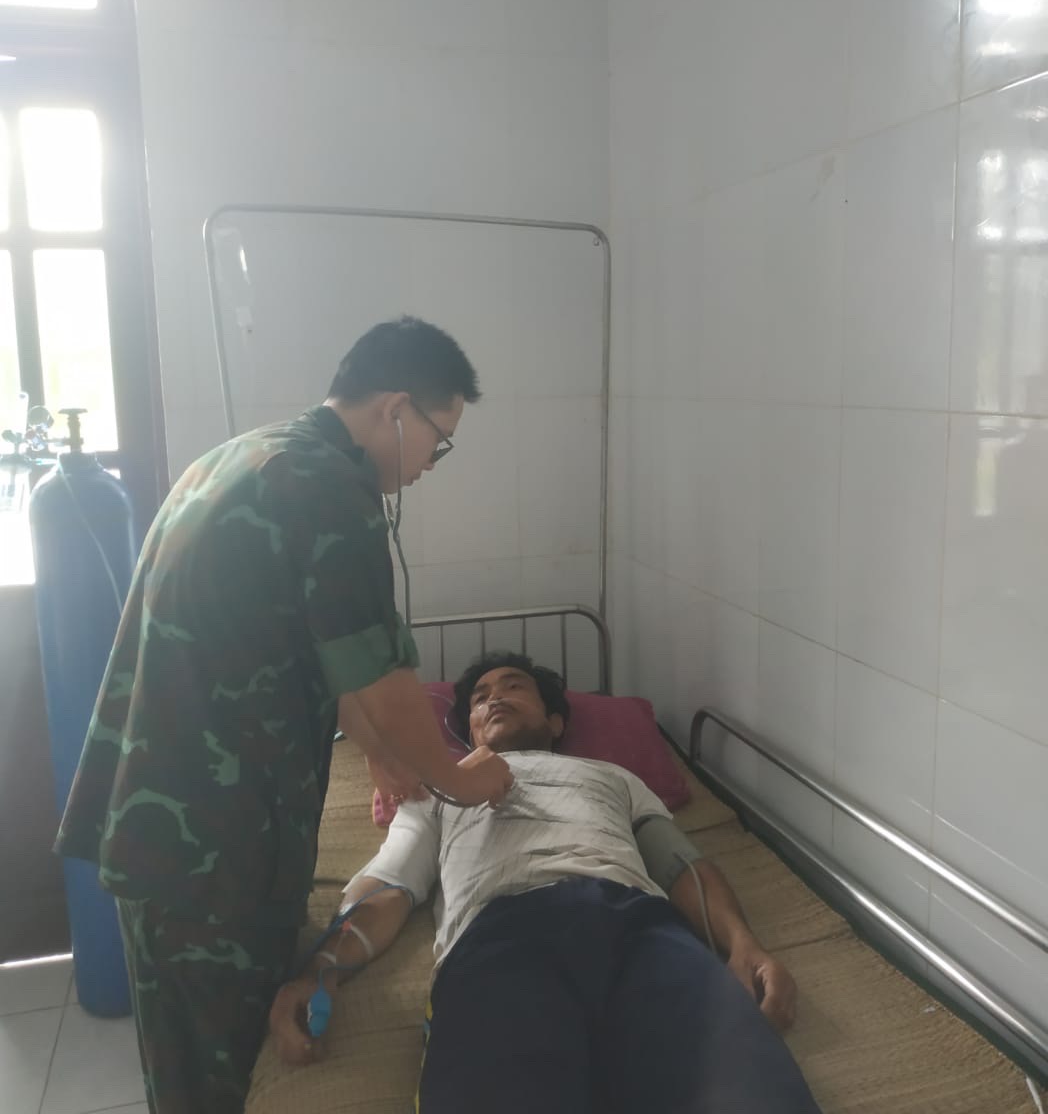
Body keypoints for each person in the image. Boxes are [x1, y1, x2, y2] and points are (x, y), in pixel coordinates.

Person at [56, 317, 513, 1114]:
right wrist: (460, 779)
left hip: (167, 830)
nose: (428, 467)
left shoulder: (246, 456)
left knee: (182, 1054)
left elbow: (316, 652)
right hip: (210, 853)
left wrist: (378, 752)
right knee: (218, 1076)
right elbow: (384, 681)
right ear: (395, 409)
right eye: (437, 443)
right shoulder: (330, 492)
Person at [270, 652, 824, 1114]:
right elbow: (387, 887)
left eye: (514, 686)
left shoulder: (612, 776)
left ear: (556, 721)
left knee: (751, 1092)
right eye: (480, 697)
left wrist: (744, 946)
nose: (495, 697)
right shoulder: (438, 788)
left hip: (641, 929)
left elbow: (682, 864)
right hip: (500, 939)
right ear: (469, 728)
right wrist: (321, 970)